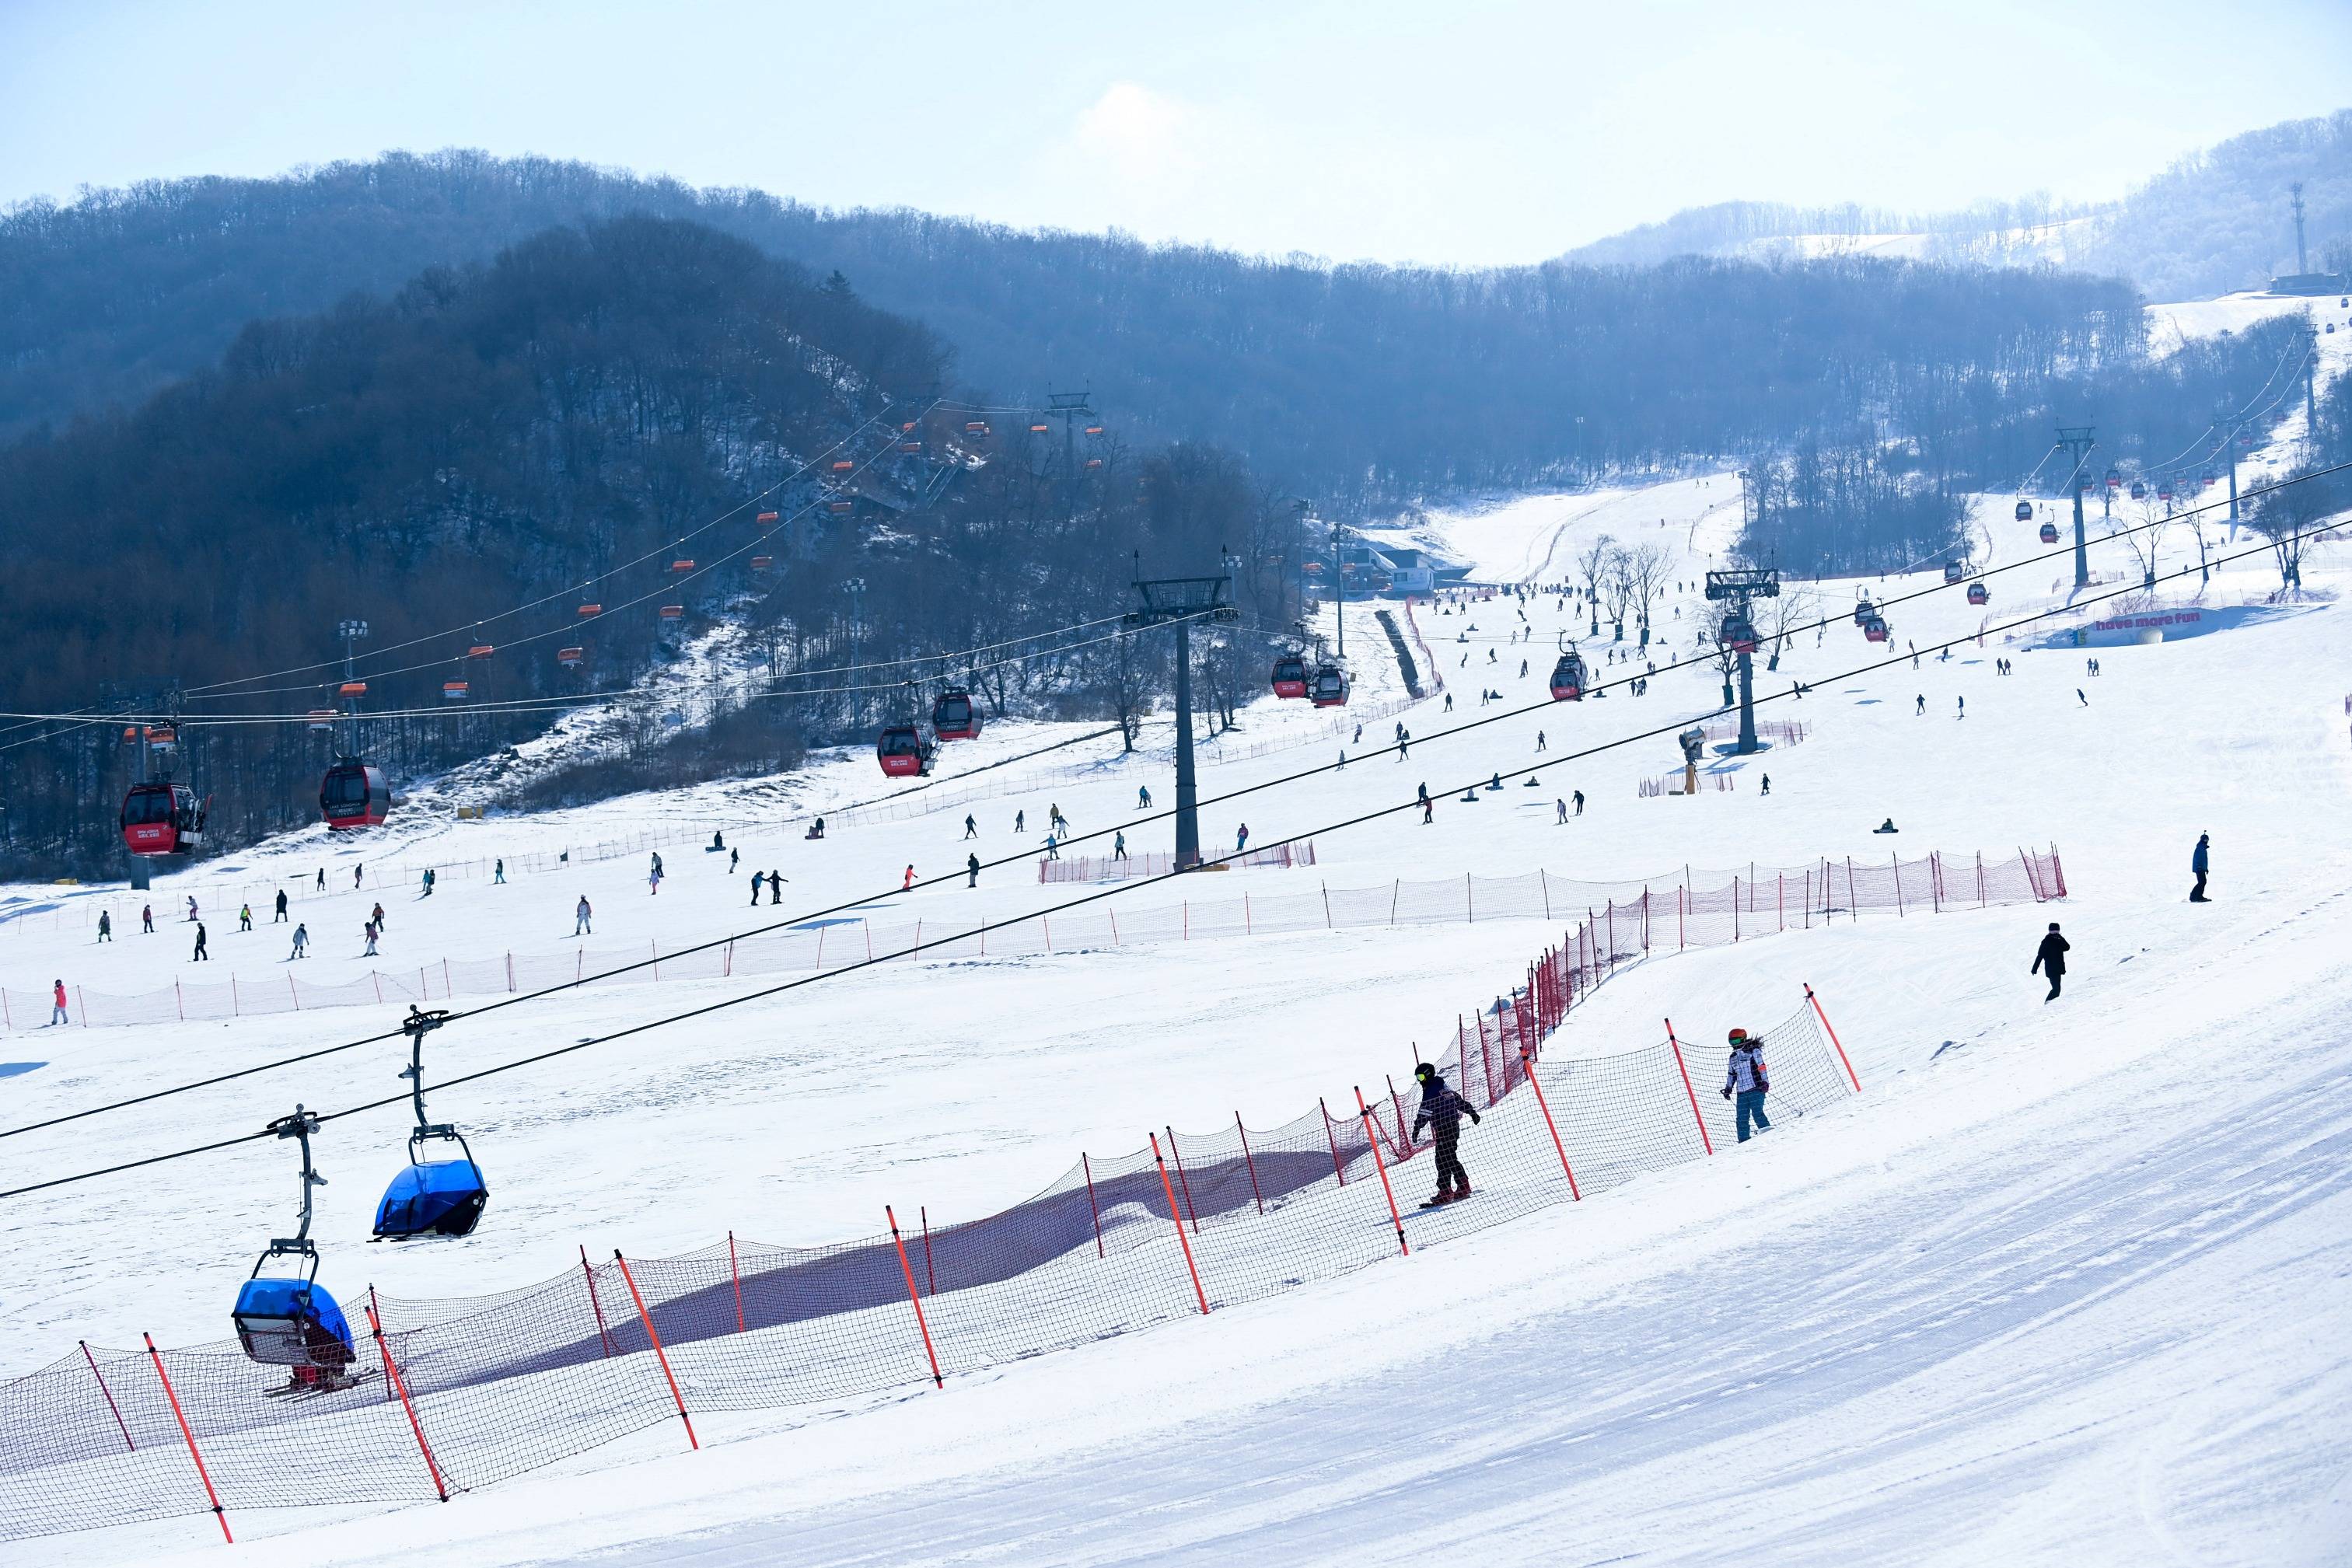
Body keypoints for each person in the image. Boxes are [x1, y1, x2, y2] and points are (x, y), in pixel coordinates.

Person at [1410, 1063, 1481, 1204]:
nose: (1419, 1080)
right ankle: (1460, 1186)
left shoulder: (1431, 1089)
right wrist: (1471, 1112)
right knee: (1448, 1157)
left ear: (1428, 1075)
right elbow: (1458, 1100)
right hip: (1452, 1126)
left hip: (1444, 1127)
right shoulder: (1443, 1086)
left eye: (1421, 1076)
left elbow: (1425, 1110)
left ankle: (1447, 1191)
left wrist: (1417, 1128)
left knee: (1443, 1159)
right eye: (1417, 1077)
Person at [1720, 1027, 1770, 1141]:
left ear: (1743, 1039)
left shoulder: (1753, 1051)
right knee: (1741, 1118)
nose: (1734, 1044)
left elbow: (1762, 1066)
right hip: (1741, 1092)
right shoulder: (1733, 1057)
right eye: (1732, 1042)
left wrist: (1765, 1082)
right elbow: (1731, 1074)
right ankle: (1744, 1141)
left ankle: (1768, 1134)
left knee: (1757, 1113)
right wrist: (1728, 1088)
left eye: (1736, 1041)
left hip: (1756, 1088)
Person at [2031, 922, 2069, 1001]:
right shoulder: (2046, 941)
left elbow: (2067, 947)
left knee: (2057, 989)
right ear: (2050, 931)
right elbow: (2040, 955)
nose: (2055, 932)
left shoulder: (2059, 939)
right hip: (2051, 969)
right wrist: (2035, 968)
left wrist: (2061, 938)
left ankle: (2051, 1005)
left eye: (2057, 931)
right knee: (2056, 989)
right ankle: (2047, 1004)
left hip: (2058, 968)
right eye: (2053, 931)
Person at [2190, 833, 2210, 903]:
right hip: (2199, 868)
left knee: (2202, 882)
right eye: (2205, 840)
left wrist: (2206, 869)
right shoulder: (2200, 847)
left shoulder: (2202, 848)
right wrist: (2199, 866)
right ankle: (2196, 896)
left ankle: (2195, 896)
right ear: (2202, 840)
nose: (2206, 841)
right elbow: (2198, 858)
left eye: (2207, 840)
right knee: (2202, 882)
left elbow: (2203, 860)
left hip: (2201, 868)